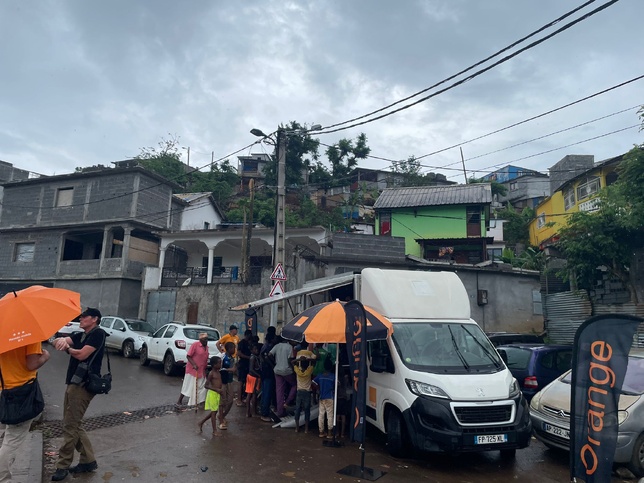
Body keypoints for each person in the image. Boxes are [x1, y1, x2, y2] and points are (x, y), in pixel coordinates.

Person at [51, 308, 106, 481]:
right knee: (73, 423)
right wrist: (56, 340)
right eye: (80, 316)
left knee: (70, 425)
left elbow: (82, 355)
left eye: (85, 316)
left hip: (84, 385)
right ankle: (88, 461)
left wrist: (67, 348)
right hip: (73, 383)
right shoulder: (79, 334)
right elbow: (61, 340)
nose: (81, 318)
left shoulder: (98, 334)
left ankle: (63, 465)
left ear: (95, 319)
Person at [0, 342, 50, 482]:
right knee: (12, 440)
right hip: (19, 394)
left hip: (2, 388)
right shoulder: (30, 335)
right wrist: (45, 356)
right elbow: (31, 364)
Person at [177, 332, 210, 407]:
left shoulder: (206, 347)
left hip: (202, 370)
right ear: (200, 339)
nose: (206, 341)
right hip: (193, 370)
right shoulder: (195, 345)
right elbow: (188, 356)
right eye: (205, 339)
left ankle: (200, 402)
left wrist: (206, 367)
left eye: (207, 339)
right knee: (188, 386)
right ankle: (179, 401)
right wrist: (194, 364)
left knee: (202, 387)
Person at [268, 336, 296, 419]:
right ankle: (287, 402)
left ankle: (280, 411)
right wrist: (293, 369)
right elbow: (290, 360)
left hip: (277, 370)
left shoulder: (277, 346)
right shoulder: (289, 347)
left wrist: (274, 363)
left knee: (279, 390)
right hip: (287, 370)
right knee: (295, 385)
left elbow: (269, 354)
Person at [197, 356, 223, 437]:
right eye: (219, 363)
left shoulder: (219, 372)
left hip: (217, 394)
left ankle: (201, 422)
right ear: (214, 365)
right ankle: (214, 431)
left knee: (214, 412)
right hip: (212, 394)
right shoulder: (212, 373)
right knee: (214, 413)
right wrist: (216, 389)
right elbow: (206, 385)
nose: (220, 364)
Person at [312, 357, 336, 439]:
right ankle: (329, 433)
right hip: (329, 397)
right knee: (330, 415)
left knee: (321, 415)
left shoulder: (320, 376)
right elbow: (338, 384)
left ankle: (321, 432)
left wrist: (318, 388)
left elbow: (313, 382)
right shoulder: (333, 376)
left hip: (321, 397)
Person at [292, 351, 315, 433]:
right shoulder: (309, 371)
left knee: (297, 409)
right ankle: (306, 429)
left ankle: (297, 428)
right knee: (307, 410)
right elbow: (314, 361)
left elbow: (292, 362)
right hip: (307, 392)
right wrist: (307, 359)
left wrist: (299, 359)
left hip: (299, 392)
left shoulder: (298, 371)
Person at [217, 342, 236, 430]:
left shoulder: (232, 358)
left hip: (230, 381)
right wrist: (229, 369)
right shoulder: (222, 357)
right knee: (222, 402)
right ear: (228, 349)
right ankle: (221, 420)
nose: (234, 350)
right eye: (233, 348)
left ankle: (222, 415)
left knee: (230, 400)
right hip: (223, 381)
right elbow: (218, 369)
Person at [259, 332, 277, 422]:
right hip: (268, 372)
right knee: (267, 393)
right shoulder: (269, 347)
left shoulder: (265, 345)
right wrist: (273, 365)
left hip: (264, 372)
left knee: (265, 392)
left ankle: (263, 410)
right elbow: (266, 357)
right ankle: (264, 413)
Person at [235, 329, 253, 406]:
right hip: (243, 364)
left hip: (248, 365)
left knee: (247, 382)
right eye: (249, 336)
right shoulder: (242, 343)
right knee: (241, 382)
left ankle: (244, 397)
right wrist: (248, 357)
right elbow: (239, 353)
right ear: (246, 335)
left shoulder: (250, 343)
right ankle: (239, 399)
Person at [245, 344, 261, 417]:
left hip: (252, 377)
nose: (256, 350)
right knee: (252, 394)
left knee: (251, 394)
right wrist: (259, 375)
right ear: (252, 350)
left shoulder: (254, 357)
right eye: (255, 349)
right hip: (252, 377)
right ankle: (252, 412)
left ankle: (249, 412)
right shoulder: (253, 358)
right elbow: (251, 369)